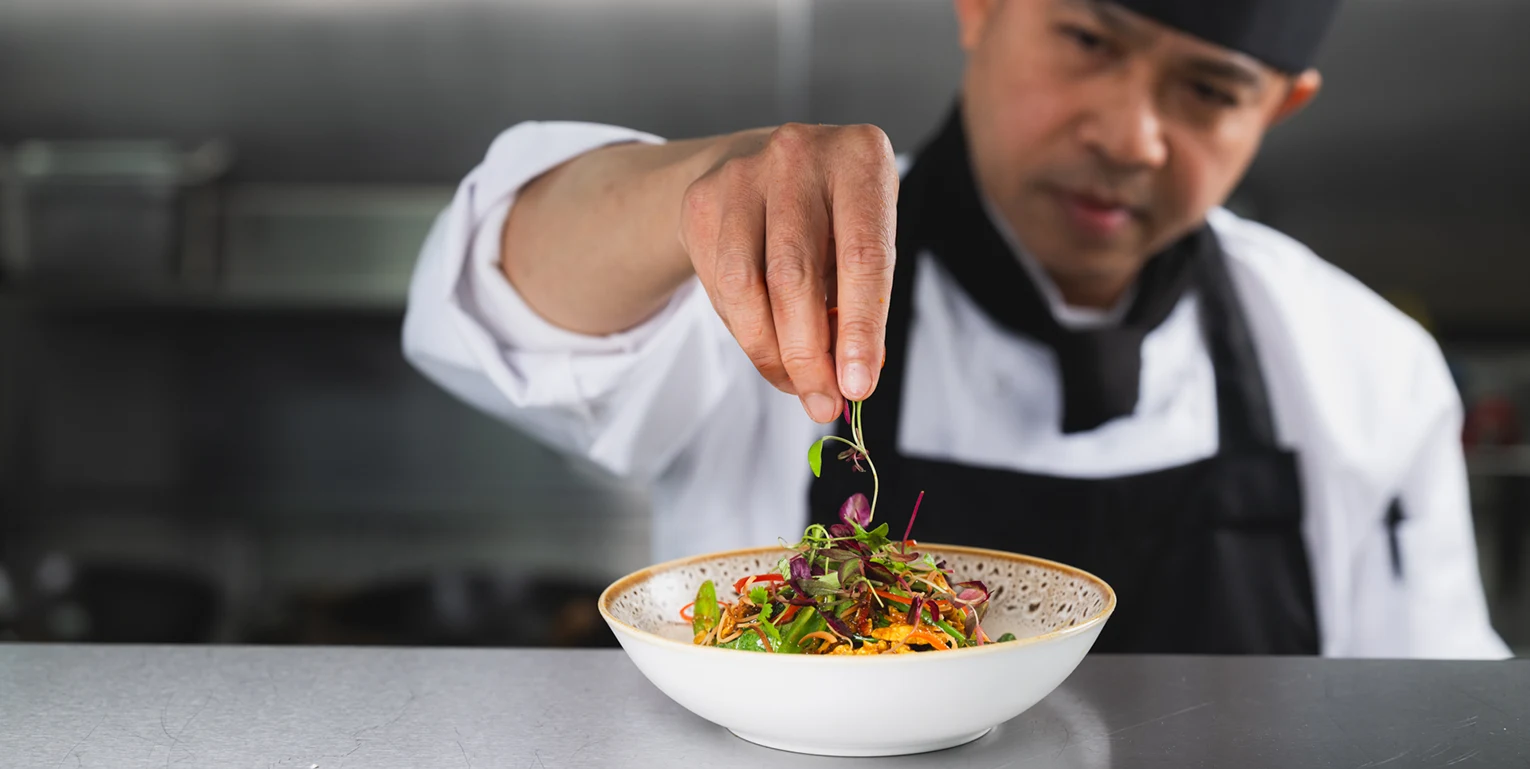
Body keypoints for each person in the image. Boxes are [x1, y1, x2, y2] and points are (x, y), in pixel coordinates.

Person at [402, 0, 1509, 657]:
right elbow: (495, 309)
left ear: (1281, 106)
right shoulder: (769, 265)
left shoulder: (1365, 364)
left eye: (1210, 91)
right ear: (981, 4)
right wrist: (692, 187)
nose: (1131, 135)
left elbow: (1422, 699)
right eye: (1085, 37)